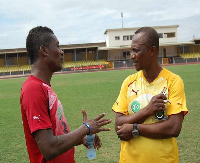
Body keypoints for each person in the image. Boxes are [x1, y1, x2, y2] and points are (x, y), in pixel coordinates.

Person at [20, 26, 112, 163]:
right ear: (44, 50)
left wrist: (80, 138)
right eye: (57, 46)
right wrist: (85, 128)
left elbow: (56, 136)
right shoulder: (33, 89)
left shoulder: (44, 87)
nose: (62, 52)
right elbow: (49, 148)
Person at [112, 27, 188, 163]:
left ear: (152, 51)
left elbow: (173, 128)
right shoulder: (128, 82)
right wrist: (147, 111)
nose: (131, 55)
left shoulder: (173, 81)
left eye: (136, 50)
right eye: (131, 50)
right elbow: (119, 125)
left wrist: (135, 128)